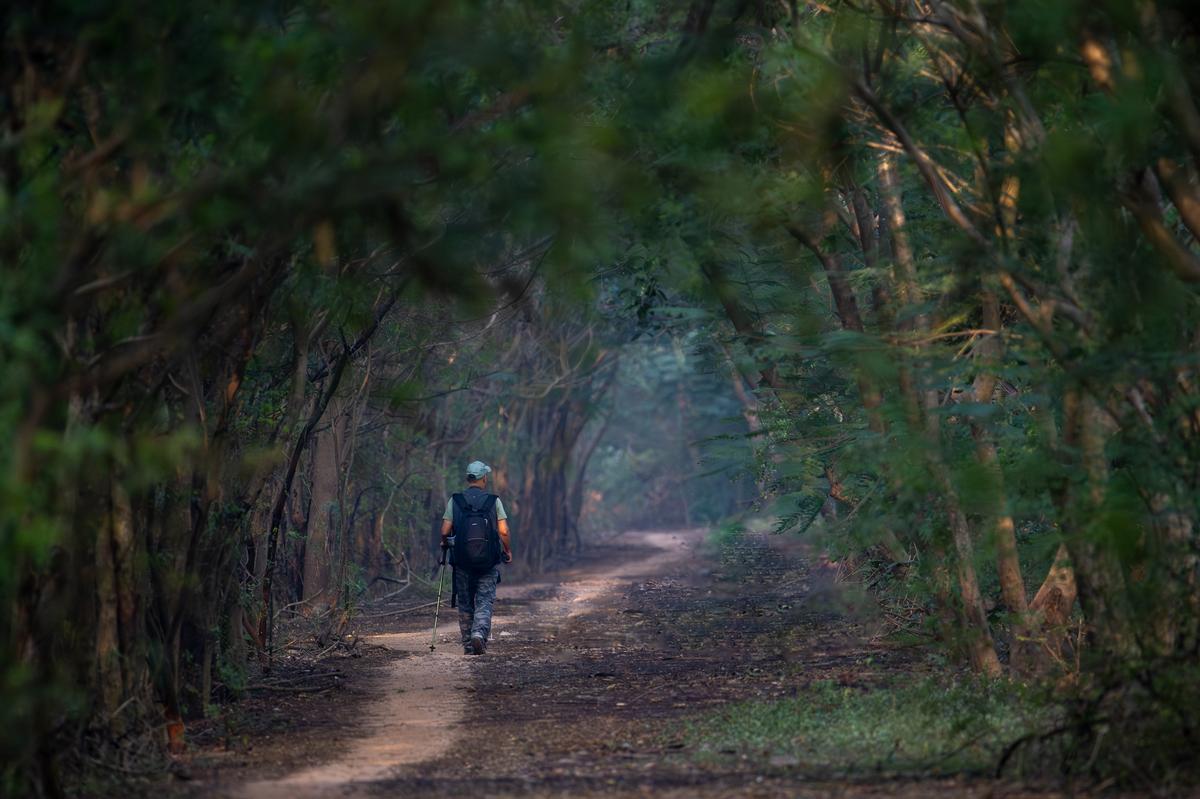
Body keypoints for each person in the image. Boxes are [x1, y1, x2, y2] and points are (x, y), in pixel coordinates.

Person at [440, 460, 512, 655]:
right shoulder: (493, 501)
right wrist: (508, 550)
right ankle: (479, 635)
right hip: (488, 563)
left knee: (465, 602)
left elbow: (445, 530)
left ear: (468, 478)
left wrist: (444, 542)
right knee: (484, 600)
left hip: (462, 563)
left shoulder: (455, 501)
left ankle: (468, 645)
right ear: (484, 478)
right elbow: (504, 531)